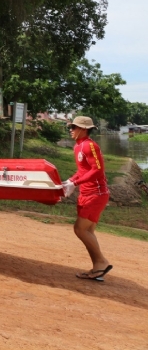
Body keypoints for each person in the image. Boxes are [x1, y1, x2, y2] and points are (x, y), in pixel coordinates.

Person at [62, 116, 113, 281]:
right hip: (87, 193)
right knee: (88, 231)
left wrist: (75, 182)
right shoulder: (78, 146)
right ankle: (98, 268)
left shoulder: (90, 146)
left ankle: (102, 263)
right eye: (71, 127)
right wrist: (71, 180)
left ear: (84, 129)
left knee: (80, 229)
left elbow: (97, 170)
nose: (71, 130)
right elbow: (84, 170)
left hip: (96, 194)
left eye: (74, 127)